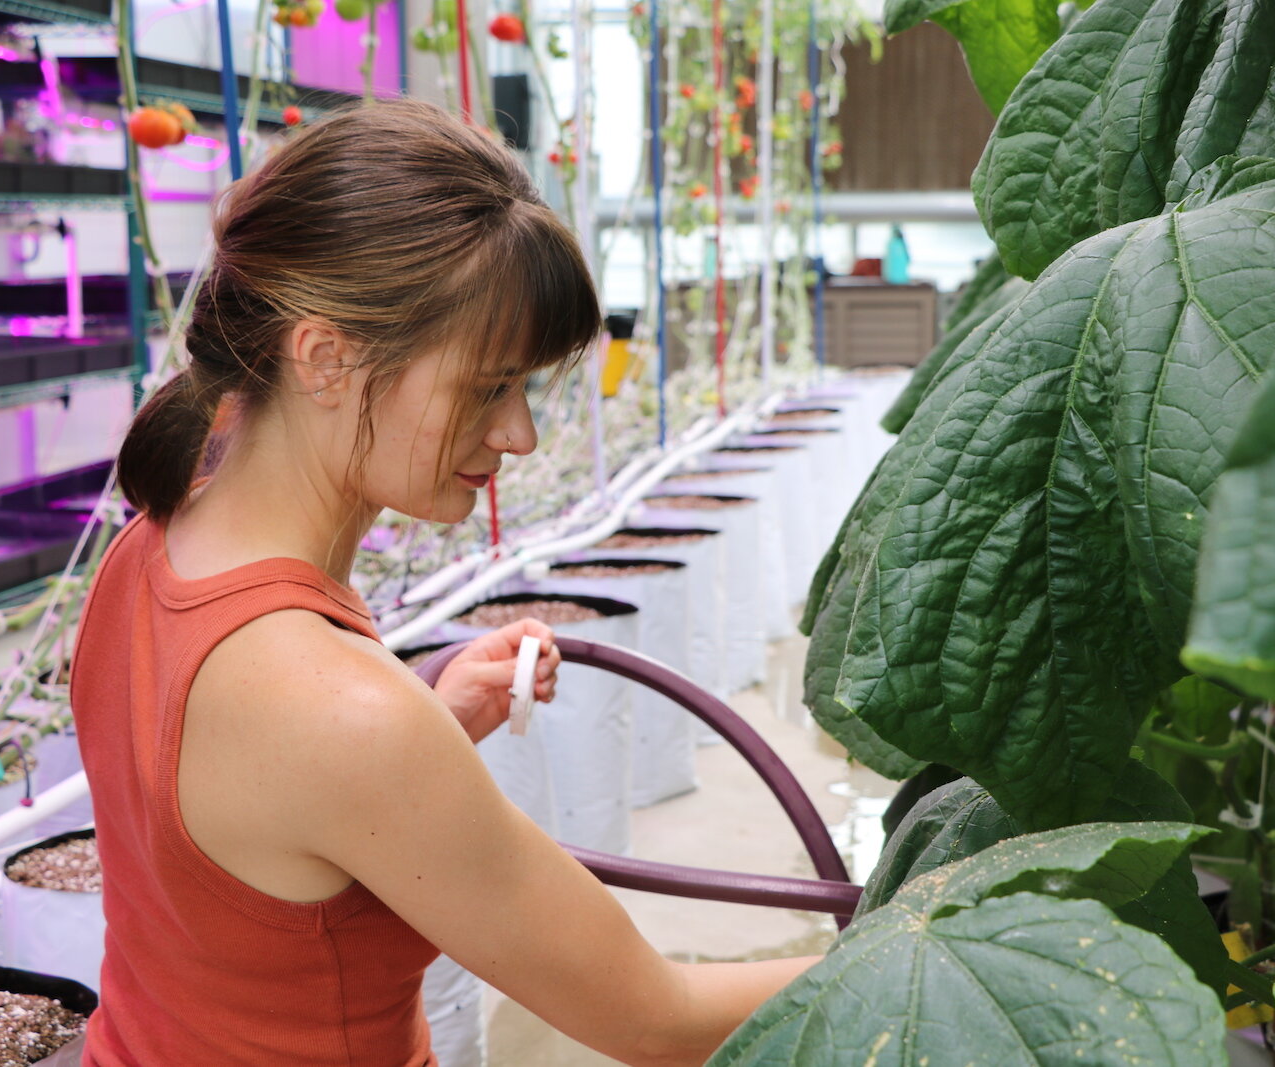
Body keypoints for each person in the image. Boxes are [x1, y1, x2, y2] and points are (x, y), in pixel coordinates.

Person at [64, 99, 818, 1067]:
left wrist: (426, 717)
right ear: (328, 357)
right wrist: (935, 938)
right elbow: (655, 1017)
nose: (519, 435)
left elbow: (229, 842)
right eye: (485, 387)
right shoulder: (343, 717)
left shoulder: (152, 544)